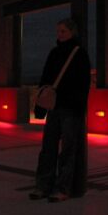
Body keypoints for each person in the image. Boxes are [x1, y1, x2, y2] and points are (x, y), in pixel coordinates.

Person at [30, 18, 91, 202]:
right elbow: (45, 78)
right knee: (49, 147)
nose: (59, 35)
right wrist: (41, 106)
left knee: (66, 149)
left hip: (70, 108)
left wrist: (79, 108)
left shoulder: (78, 54)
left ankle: (60, 187)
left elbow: (83, 84)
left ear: (72, 32)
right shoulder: (55, 53)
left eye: (63, 31)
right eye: (58, 31)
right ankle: (45, 186)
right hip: (57, 107)